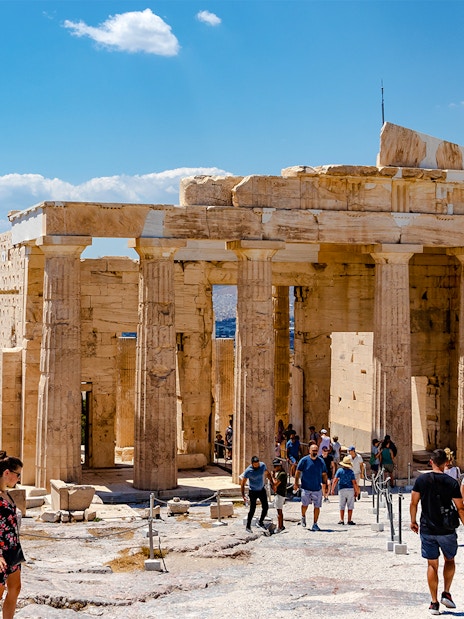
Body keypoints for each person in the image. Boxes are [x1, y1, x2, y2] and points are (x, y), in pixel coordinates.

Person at [410, 449, 464, 615]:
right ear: (446, 463)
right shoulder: (452, 482)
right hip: (447, 529)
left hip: (427, 527)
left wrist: (412, 521)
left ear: (431, 462)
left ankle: (434, 603)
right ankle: (446, 592)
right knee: (450, 559)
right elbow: (460, 506)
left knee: (432, 564)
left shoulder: (421, 480)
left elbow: (414, 502)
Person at [0, 454, 24, 619]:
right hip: (0, 551)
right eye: (18, 474)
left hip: (13, 549)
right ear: (7, 473)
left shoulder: (6, 493)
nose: (19, 479)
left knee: (15, 589)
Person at [293, 443, 328, 531]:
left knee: (317, 507)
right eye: (313, 451)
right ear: (309, 451)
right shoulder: (304, 460)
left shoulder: (321, 461)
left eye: (316, 451)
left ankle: (315, 524)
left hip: (317, 488)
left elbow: (324, 474)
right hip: (306, 487)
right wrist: (296, 483)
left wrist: (325, 485)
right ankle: (303, 516)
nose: (315, 452)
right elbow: (298, 472)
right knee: (305, 505)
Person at [240, 456, 273, 534]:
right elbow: (243, 483)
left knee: (265, 507)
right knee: (252, 509)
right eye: (255, 465)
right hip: (253, 491)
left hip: (261, 489)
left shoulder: (262, 465)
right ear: (252, 464)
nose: (257, 466)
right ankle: (248, 526)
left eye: (258, 464)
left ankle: (261, 521)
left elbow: (267, 473)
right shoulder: (248, 471)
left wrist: (272, 482)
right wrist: (243, 495)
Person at [331, 456, 359, 525]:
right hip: (350, 489)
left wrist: (332, 489)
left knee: (342, 505)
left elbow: (335, 480)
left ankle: (341, 519)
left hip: (342, 489)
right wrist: (356, 491)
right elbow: (354, 482)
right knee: (350, 505)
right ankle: (349, 520)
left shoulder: (339, 471)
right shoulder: (351, 472)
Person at [272, 458, 287, 533]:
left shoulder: (282, 474)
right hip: (279, 493)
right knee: (279, 511)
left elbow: (275, 483)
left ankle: (280, 526)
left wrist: (272, 477)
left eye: (275, 466)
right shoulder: (281, 473)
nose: (274, 468)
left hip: (280, 494)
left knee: (279, 511)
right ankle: (281, 525)